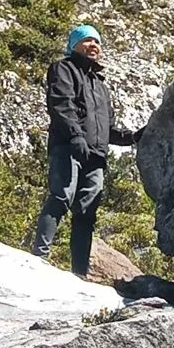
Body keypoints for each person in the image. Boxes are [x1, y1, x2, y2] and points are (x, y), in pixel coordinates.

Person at [29, 23, 140, 278]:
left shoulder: (100, 85)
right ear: (74, 45)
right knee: (61, 197)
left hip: (96, 157)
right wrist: (76, 136)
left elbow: (108, 128)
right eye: (87, 40)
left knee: (87, 213)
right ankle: (39, 258)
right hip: (68, 147)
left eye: (97, 42)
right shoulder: (63, 69)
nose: (94, 45)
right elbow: (60, 104)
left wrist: (132, 137)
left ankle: (79, 273)